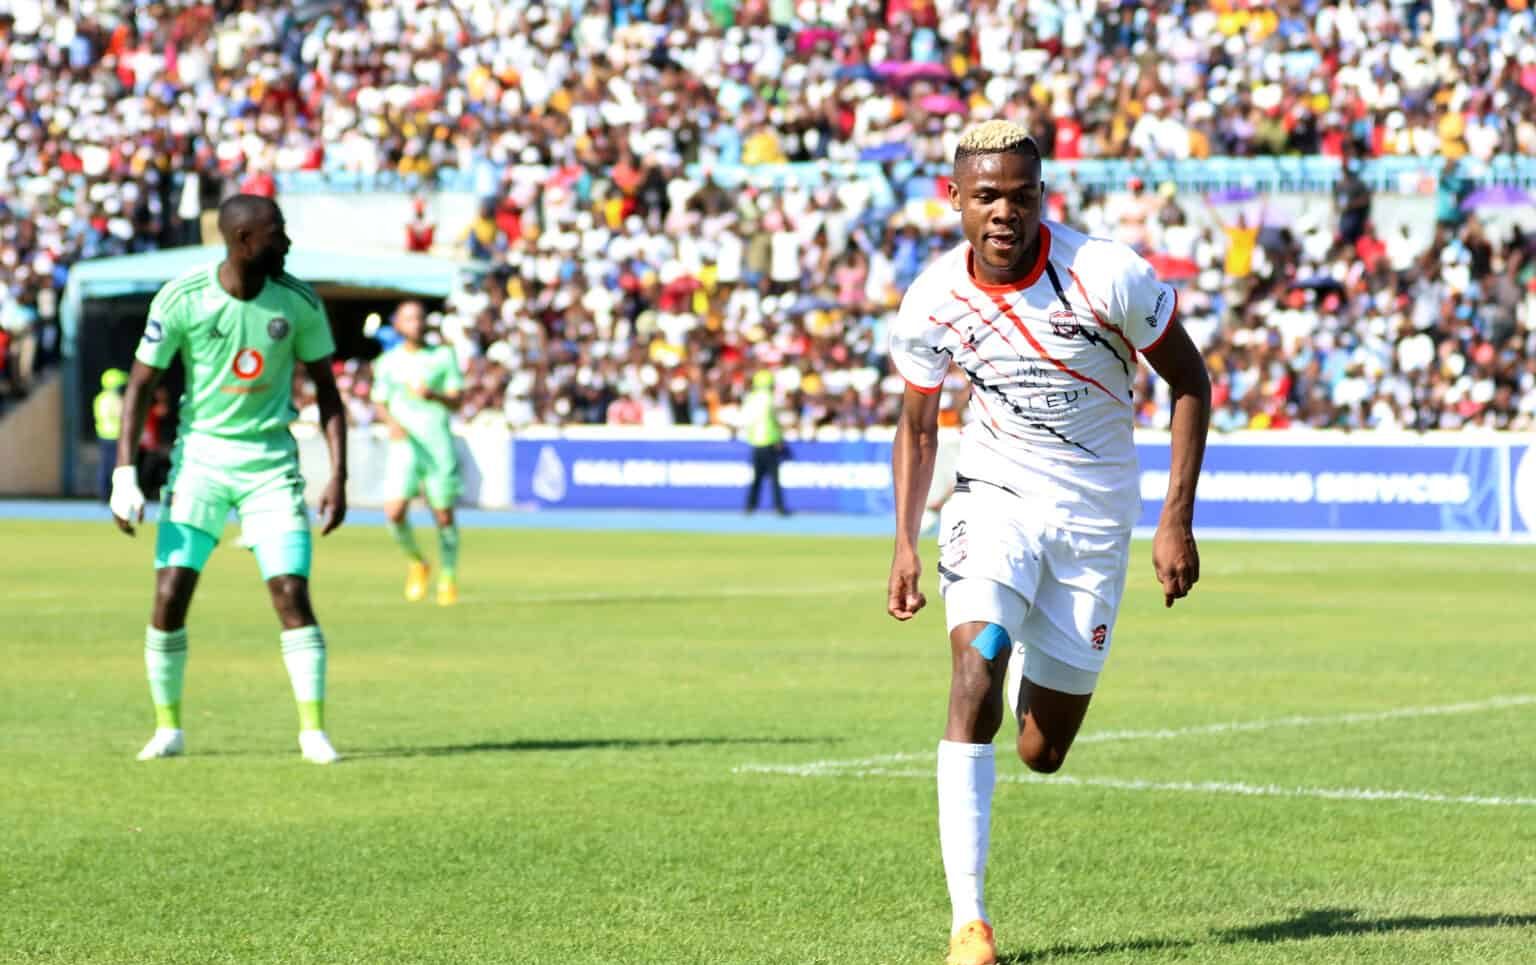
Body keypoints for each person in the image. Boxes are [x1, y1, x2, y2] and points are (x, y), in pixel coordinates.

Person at [884, 121, 1211, 965]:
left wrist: (1176, 517)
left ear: (1042, 197)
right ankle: (970, 923)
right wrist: (904, 543)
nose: (1004, 212)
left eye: (1021, 195)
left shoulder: (1105, 273)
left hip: (1093, 520)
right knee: (973, 662)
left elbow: (1190, 379)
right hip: (992, 497)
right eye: (986, 195)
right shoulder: (931, 299)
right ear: (952, 197)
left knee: (1042, 749)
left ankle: (1032, 642)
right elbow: (919, 430)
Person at [108, 194, 349, 765]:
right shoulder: (183, 298)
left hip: (270, 465)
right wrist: (125, 474)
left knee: (291, 593)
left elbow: (330, 395)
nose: (287, 243)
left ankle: (312, 731)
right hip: (200, 464)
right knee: (169, 594)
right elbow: (140, 384)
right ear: (244, 241)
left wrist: (338, 476)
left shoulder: (299, 302)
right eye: (278, 233)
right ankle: (169, 728)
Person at [370, 300, 464, 605]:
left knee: (443, 513)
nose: (417, 323)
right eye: (409, 319)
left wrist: (433, 394)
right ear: (398, 324)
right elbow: (380, 402)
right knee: (394, 511)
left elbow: (457, 400)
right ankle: (417, 561)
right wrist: (391, 423)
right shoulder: (387, 362)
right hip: (405, 445)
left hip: (436, 444)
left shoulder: (443, 356)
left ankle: (448, 576)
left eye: (420, 318)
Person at [740, 369, 788, 515]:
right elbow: (775, 420)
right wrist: (779, 438)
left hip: (756, 443)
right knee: (774, 479)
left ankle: (750, 506)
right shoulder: (770, 399)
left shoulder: (750, 398)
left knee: (756, 479)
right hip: (770, 442)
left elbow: (745, 420)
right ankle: (779, 507)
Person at [94, 368, 127, 501]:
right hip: (115, 436)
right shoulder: (114, 399)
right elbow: (122, 415)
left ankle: (104, 495)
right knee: (117, 467)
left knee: (105, 466)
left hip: (103, 436)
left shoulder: (100, 398)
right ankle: (115, 495)